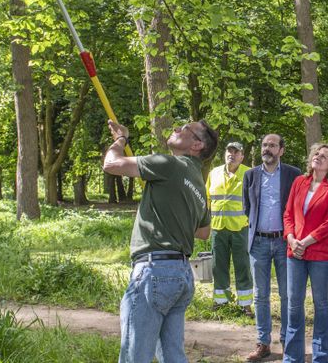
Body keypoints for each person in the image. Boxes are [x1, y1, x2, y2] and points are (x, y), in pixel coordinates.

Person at [103, 119, 218, 363]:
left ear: (197, 144)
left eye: (185, 128)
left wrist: (121, 139)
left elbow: (111, 164)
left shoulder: (169, 164)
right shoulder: (198, 182)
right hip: (181, 276)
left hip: (154, 272)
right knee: (172, 356)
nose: (177, 128)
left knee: (135, 356)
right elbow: (204, 231)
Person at [282, 143, 328, 363]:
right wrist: (291, 239)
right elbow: (288, 213)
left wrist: (305, 242)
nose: (318, 156)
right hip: (295, 253)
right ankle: (291, 357)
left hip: (321, 255)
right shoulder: (299, 181)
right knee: (294, 305)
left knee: (321, 305)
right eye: (316, 153)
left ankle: (319, 357)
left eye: (325, 156)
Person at [243, 134, 302, 362]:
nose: (267, 148)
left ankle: (288, 342)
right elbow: (248, 208)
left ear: (281, 150)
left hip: (284, 242)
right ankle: (263, 343)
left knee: (288, 294)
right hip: (258, 242)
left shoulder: (293, 174)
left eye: (272, 145)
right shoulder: (250, 175)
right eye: (264, 144)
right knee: (261, 295)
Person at [206, 141, 253, 314]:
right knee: (218, 266)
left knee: (242, 266)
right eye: (228, 151)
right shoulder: (214, 173)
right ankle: (221, 300)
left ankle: (245, 304)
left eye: (235, 152)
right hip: (218, 227)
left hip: (241, 227)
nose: (231, 154)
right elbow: (207, 200)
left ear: (242, 156)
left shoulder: (249, 173)